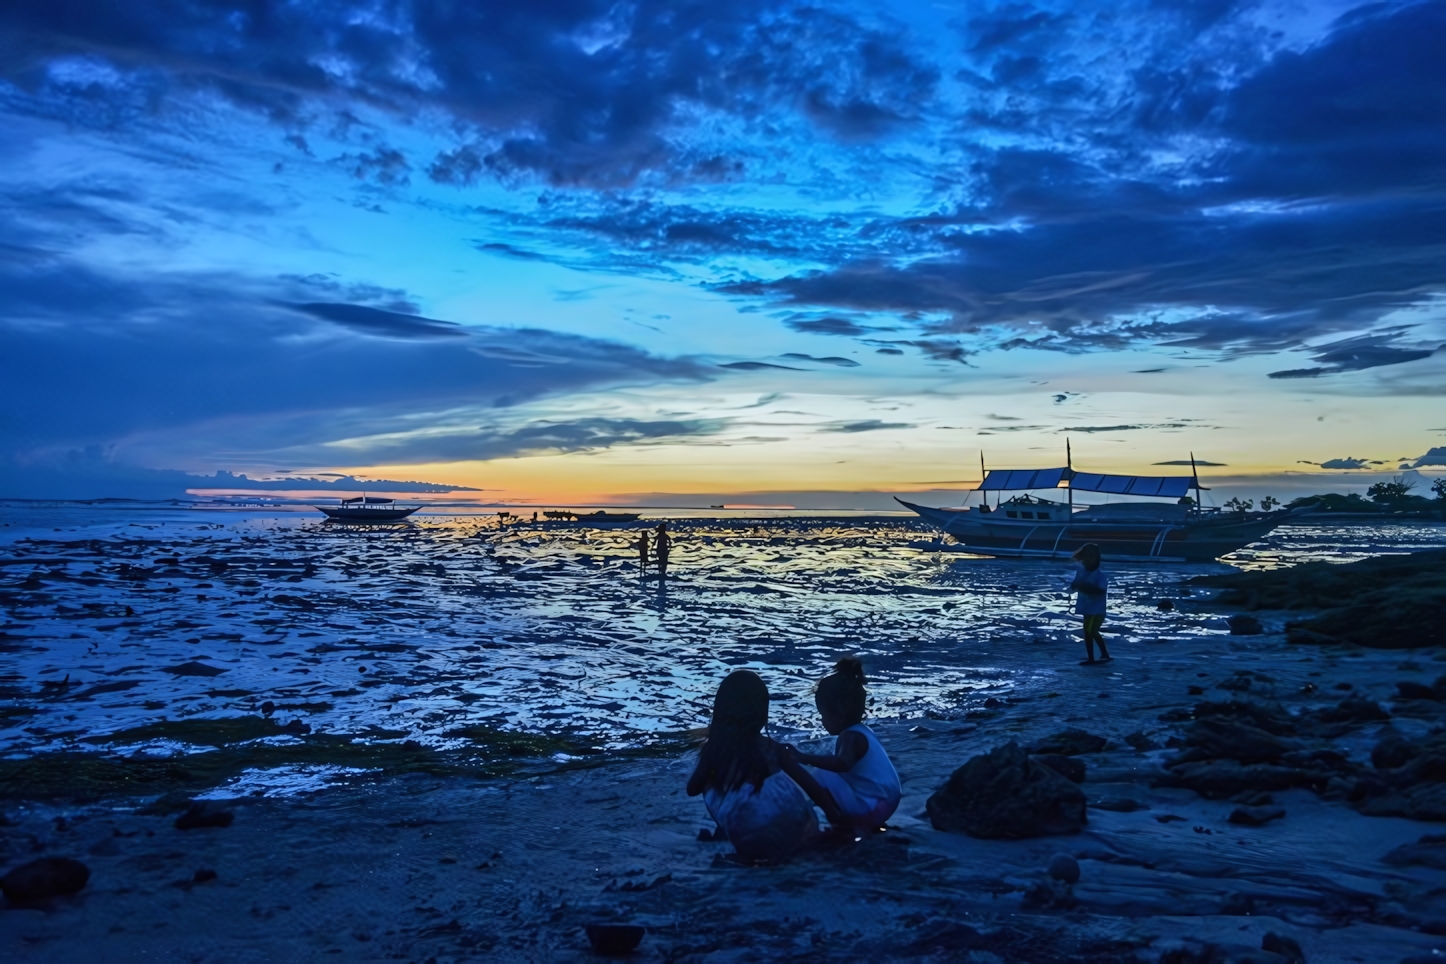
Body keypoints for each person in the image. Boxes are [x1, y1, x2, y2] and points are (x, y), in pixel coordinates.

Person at [686, 670, 818, 862]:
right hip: (801, 828)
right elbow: (811, 786)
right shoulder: (773, 748)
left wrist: (716, 772)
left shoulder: (715, 751)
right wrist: (837, 818)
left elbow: (692, 789)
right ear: (762, 712)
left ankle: (729, 831)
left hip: (752, 837)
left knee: (715, 783)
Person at [778, 658, 901, 832]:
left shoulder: (850, 736)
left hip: (873, 808)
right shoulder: (863, 731)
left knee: (822, 776)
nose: (821, 721)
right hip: (886, 803)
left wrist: (802, 757)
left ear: (838, 715)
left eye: (823, 715)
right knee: (829, 774)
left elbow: (842, 764)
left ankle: (836, 818)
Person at [1068, 543, 1111, 664]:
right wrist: (1076, 586)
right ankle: (1103, 654)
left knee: (1089, 632)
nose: (1086, 561)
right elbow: (1074, 586)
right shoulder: (1081, 572)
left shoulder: (1100, 576)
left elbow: (1100, 591)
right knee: (1092, 632)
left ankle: (1092, 658)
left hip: (1096, 610)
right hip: (1087, 608)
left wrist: (1084, 587)